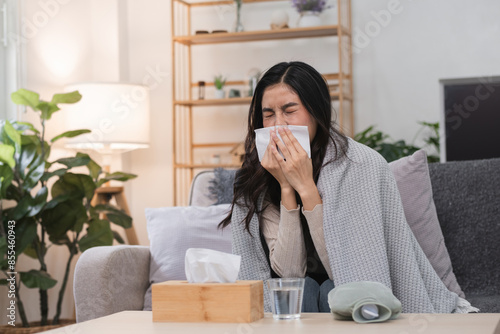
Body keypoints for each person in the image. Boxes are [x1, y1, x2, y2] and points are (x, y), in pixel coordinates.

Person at [220, 61, 474, 314]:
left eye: (289, 110)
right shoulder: (258, 177)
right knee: (304, 288)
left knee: (330, 288)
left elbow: (354, 273)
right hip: (299, 297)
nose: (279, 125)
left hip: (352, 288)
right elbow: (290, 273)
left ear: (316, 112)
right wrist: (286, 187)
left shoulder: (361, 165)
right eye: (269, 114)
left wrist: (306, 187)